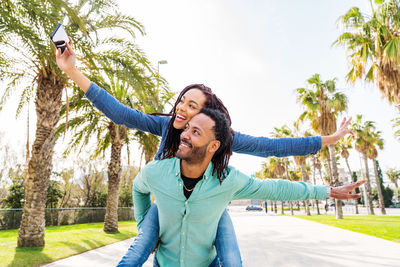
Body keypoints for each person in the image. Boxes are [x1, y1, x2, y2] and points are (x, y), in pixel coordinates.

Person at [56, 40, 353, 266]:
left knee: (231, 257)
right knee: (138, 249)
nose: (182, 109)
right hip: (169, 204)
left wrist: (329, 139)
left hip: (207, 203)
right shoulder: (166, 127)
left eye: (192, 106)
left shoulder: (219, 139)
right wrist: (72, 71)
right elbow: (120, 113)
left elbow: (270, 147)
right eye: (182, 101)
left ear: (206, 119)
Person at [127, 108, 365, 266]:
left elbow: (274, 188)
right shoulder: (156, 172)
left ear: (213, 146)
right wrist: (142, 225)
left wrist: (327, 191)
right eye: (187, 128)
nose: (184, 135)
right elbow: (138, 189)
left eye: (195, 132)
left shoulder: (228, 180)